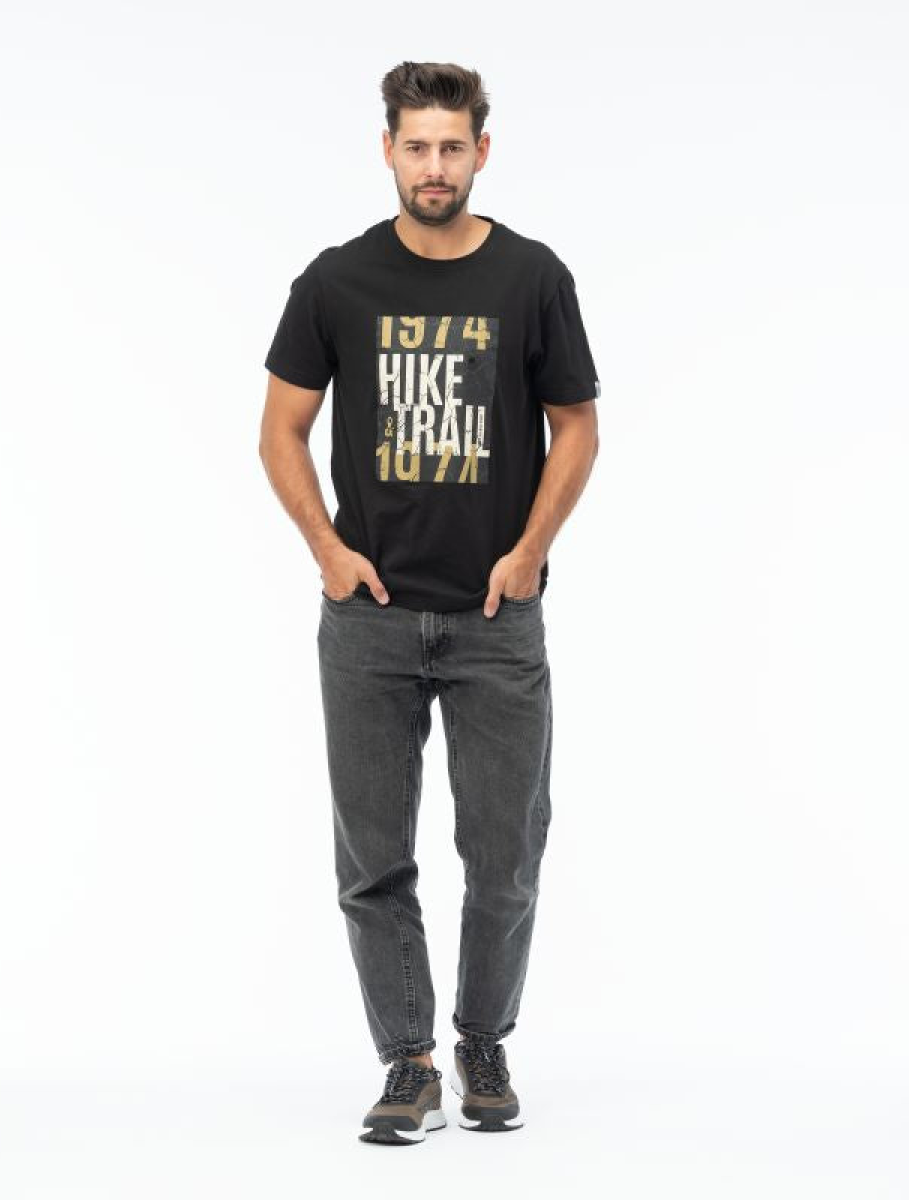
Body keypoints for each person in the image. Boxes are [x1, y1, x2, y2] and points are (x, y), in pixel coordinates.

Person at [258, 60, 600, 1145]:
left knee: (506, 856)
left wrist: (530, 553)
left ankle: (482, 1042)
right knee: (373, 862)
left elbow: (577, 427)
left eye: (453, 147)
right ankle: (407, 1063)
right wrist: (327, 549)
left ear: (481, 152)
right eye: (417, 146)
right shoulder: (334, 282)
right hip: (369, 620)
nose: (435, 166)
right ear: (389, 151)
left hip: (499, 620)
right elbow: (280, 430)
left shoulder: (533, 277)